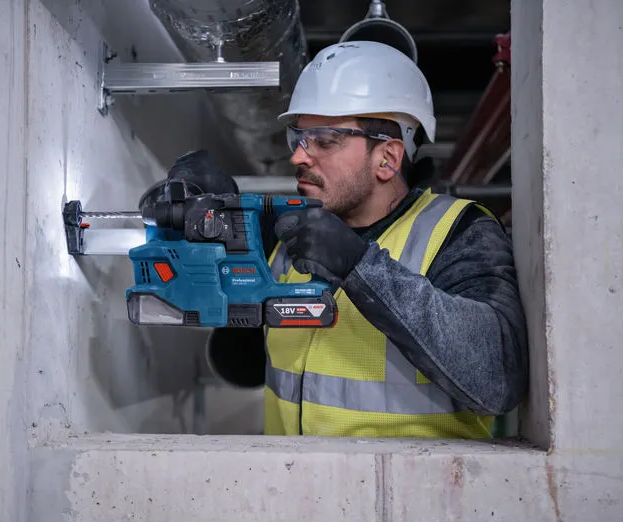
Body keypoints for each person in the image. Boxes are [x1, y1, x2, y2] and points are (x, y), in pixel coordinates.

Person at [145, 41, 529, 439]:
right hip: (288, 476)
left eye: (324, 140)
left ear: (388, 158)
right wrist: (220, 227)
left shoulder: (458, 233)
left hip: (411, 480)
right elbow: (240, 362)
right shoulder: (288, 234)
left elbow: (498, 379)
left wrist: (360, 266)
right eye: (298, 138)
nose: (298, 157)